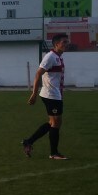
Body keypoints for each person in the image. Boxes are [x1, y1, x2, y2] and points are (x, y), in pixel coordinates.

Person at [23, 32, 70, 160]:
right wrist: (34, 93)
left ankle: (28, 141)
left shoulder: (58, 57)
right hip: (50, 94)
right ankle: (53, 153)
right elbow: (38, 74)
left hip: (55, 94)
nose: (67, 44)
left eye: (67, 41)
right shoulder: (50, 57)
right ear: (56, 44)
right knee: (55, 123)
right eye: (64, 42)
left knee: (53, 122)